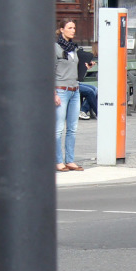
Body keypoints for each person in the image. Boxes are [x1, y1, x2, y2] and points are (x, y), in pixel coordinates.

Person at [55, 19, 81, 170]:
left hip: (74, 89)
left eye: (74, 27)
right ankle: (58, 161)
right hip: (61, 89)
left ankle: (70, 160)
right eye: (70, 28)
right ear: (61, 29)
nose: (73, 30)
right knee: (58, 128)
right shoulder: (56, 48)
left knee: (72, 127)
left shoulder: (73, 48)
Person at [76, 45, 97, 120]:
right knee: (90, 91)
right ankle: (98, 112)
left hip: (77, 82)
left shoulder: (82, 63)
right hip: (72, 83)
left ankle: (83, 110)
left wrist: (87, 67)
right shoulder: (78, 62)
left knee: (95, 89)